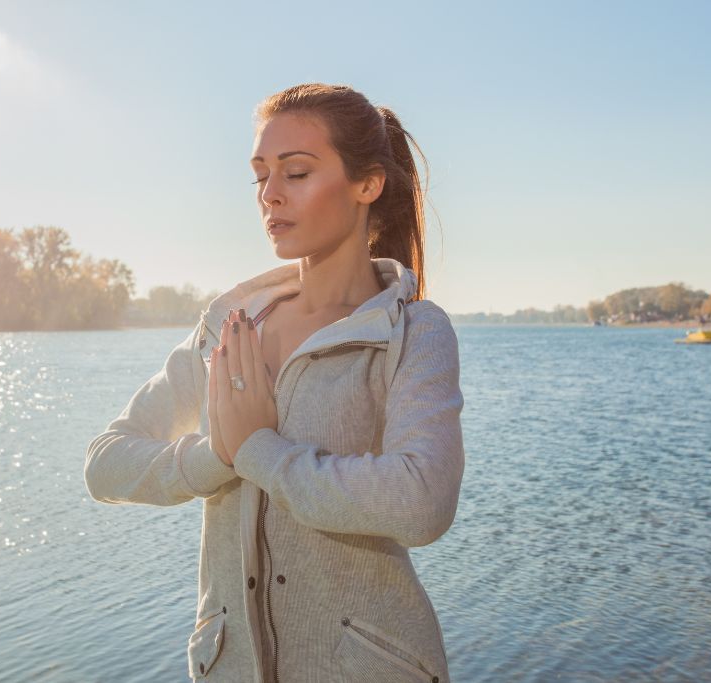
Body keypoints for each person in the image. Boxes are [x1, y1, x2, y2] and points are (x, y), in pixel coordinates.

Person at [85, 83, 465, 683]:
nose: (270, 195)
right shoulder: (228, 326)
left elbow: (422, 502)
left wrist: (261, 451)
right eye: (260, 175)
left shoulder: (412, 331)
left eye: (297, 172)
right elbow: (105, 464)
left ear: (367, 185)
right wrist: (217, 454)